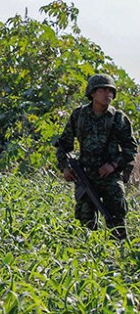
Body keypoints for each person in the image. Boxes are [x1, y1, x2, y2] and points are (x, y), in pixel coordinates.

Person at [55, 74, 138, 240]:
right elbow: (63, 145)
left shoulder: (118, 118)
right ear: (92, 93)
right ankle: (88, 258)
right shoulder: (79, 116)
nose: (108, 94)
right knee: (85, 222)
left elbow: (131, 148)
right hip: (85, 175)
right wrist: (65, 167)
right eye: (103, 90)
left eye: (110, 91)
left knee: (116, 217)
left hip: (110, 176)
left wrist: (113, 165)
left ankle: (118, 256)